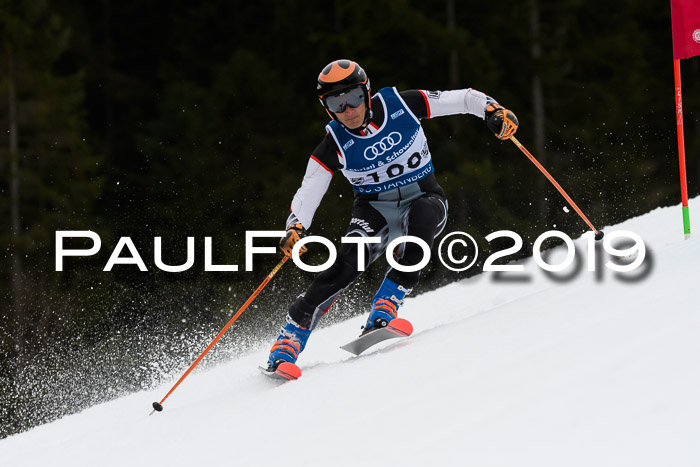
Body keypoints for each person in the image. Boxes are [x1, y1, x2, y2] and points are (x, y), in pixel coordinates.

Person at [266, 59, 518, 370]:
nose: (347, 109)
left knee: (422, 225)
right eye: (336, 102)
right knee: (347, 265)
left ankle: (387, 303)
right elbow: (310, 188)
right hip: (374, 211)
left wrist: (493, 110)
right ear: (326, 107)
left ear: (367, 93)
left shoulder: (401, 104)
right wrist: (296, 226)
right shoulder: (334, 143)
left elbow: (465, 98)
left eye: (354, 97)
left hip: (424, 197)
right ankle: (291, 336)